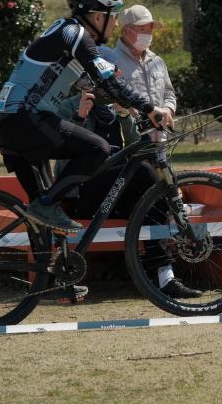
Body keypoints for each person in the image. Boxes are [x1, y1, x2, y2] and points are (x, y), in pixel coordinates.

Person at [0, 0, 173, 234]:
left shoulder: (63, 32)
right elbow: (108, 81)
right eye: (114, 15)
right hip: (25, 119)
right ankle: (46, 207)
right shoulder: (76, 35)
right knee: (97, 148)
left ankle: (50, 269)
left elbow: (102, 84)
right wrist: (150, 108)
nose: (116, 23)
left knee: (42, 219)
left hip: (5, 123)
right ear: (98, 16)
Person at [54, 85, 202, 299]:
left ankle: (164, 276)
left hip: (119, 190)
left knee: (152, 203)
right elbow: (61, 155)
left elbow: (138, 149)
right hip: (85, 192)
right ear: (80, 84)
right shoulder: (68, 107)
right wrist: (80, 117)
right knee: (145, 175)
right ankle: (171, 209)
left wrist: (124, 116)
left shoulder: (117, 108)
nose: (98, 86)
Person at [106, 5, 176, 123]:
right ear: (125, 31)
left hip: (162, 135)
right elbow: (107, 104)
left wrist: (168, 109)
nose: (148, 35)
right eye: (143, 30)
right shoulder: (110, 61)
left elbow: (169, 93)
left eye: (150, 30)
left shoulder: (157, 61)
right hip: (130, 138)